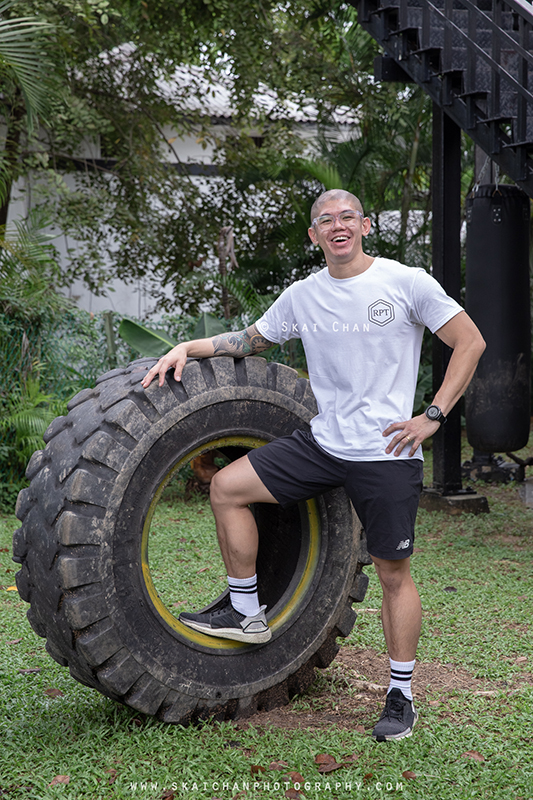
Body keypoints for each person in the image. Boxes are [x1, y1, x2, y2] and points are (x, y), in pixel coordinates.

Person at [141, 189, 485, 741]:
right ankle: (247, 612)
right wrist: (189, 346)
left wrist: (433, 416)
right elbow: (249, 340)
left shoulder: (406, 282)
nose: (337, 226)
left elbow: (469, 342)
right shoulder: (305, 295)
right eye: (325, 220)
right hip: (324, 445)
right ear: (315, 236)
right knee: (228, 487)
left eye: (347, 216)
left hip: (387, 453)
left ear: (366, 226)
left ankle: (401, 694)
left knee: (394, 574)